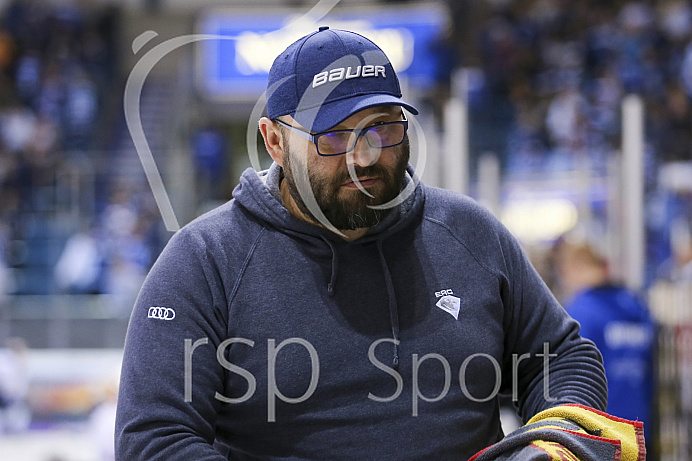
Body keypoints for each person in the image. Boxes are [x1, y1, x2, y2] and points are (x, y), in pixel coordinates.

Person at [116, 27, 627, 460]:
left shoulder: (470, 234)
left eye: (382, 128)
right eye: (332, 137)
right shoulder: (205, 261)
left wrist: (549, 449)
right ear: (274, 140)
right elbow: (153, 440)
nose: (363, 158)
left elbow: (562, 356)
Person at [557, 240, 655, 448]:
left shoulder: (581, 312)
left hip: (600, 432)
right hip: (639, 428)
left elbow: (569, 379)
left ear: (574, 268)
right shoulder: (637, 306)